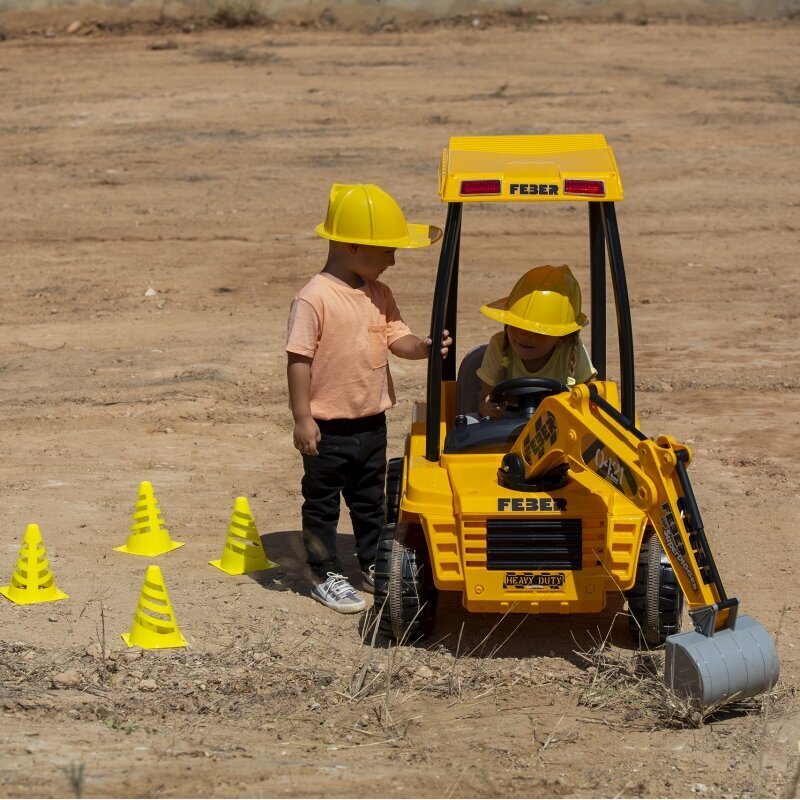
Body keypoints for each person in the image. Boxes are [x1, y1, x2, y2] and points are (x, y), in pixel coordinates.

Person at [286, 183, 450, 614]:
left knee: (369, 501)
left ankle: (374, 562)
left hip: (371, 422)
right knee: (321, 504)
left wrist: (425, 347)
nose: (394, 259)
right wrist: (303, 418)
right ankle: (324, 573)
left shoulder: (380, 294)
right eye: (387, 250)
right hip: (327, 426)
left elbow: (399, 340)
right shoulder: (314, 298)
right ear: (351, 244)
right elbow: (298, 360)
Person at [476, 264, 596, 418]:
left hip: (559, 426)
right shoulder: (499, 344)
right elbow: (482, 405)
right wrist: (490, 408)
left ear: (562, 337)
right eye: (517, 325)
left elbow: (594, 399)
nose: (524, 336)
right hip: (506, 426)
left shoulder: (571, 348)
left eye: (537, 331)